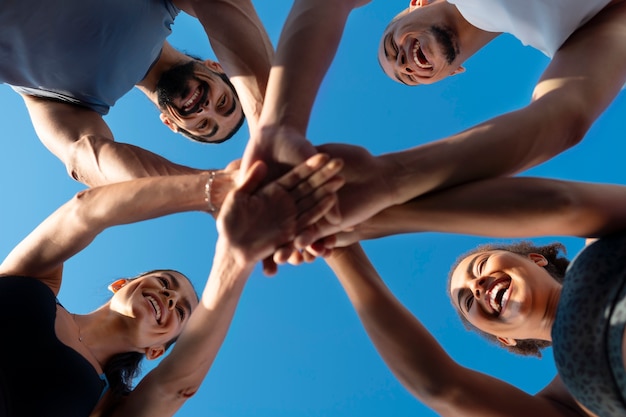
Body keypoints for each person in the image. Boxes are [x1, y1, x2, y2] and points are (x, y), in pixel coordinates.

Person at [239, 0, 626, 244]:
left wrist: (279, 126)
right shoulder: (569, 37)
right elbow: (562, 116)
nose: (404, 63)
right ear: (454, 72)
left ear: (416, 3)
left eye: (392, 45)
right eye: (406, 74)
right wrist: (385, 181)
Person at [0, 152, 344, 417]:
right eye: (165, 283)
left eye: (180, 309)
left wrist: (237, 254)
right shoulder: (37, 280)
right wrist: (216, 189)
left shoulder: (107, 405)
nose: (168, 296)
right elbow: (85, 211)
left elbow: (177, 387)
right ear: (120, 284)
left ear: (157, 351)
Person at [324, 175, 626, 417]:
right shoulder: (569, 405)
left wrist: (380, 218)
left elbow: (563, 204)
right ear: (506, 340)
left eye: (480, 266)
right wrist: (337, 249)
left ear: (536, 259)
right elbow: (444, 390)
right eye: (468, 301)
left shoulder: (605, 237)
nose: (478, 287)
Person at [3, 0, 273, 186]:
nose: (206, 109)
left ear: (171, 123)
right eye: (223, 102)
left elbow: (84, 157)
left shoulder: (75, 103)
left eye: (203, 125)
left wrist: (213, 188)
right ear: (216, 66)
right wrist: (271, 131)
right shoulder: (162, 5)